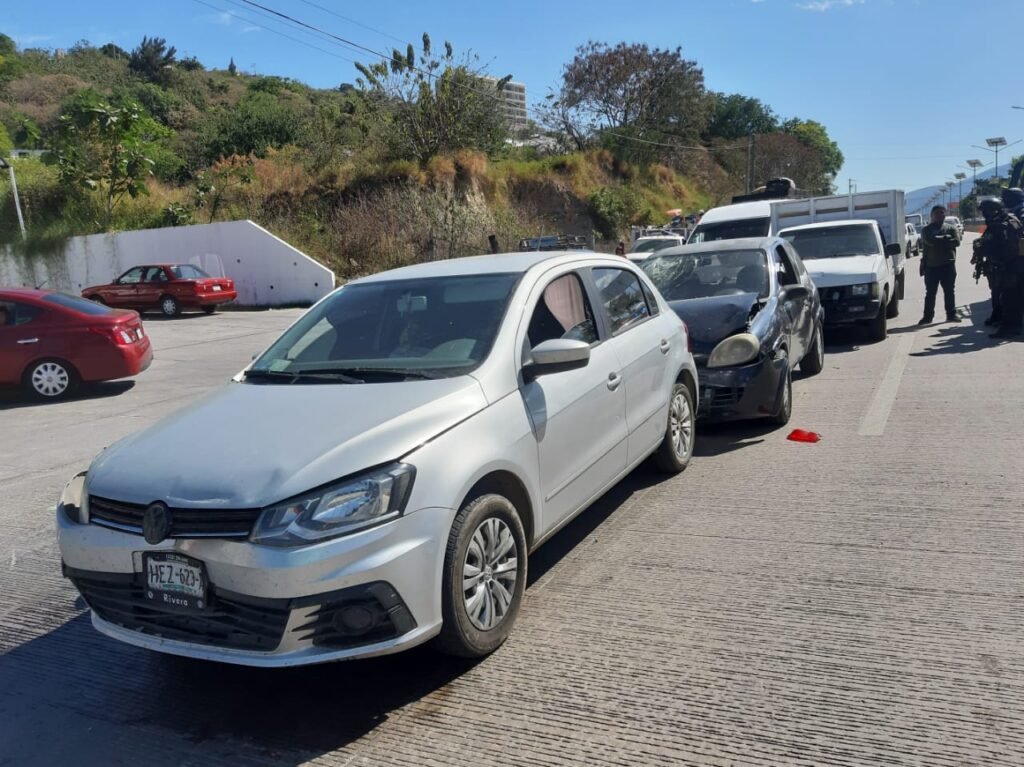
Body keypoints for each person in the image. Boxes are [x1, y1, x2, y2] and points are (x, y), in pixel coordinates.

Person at [978, 197, 1024, 339]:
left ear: (993, 211)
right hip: (1016, 265)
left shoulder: (1000, 225)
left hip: (1008, 266)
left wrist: (984, 249)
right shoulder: (1012, 219)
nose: (984, 215)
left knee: (1009, 298)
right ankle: (1008, 322)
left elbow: (998, 248)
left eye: (986, 212)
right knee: (1012, 297)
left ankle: (1010, 328)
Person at [918, 204, 961, 324]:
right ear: (932, 215)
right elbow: (930, 241)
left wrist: (939, 239)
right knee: (930, 293)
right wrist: (946, 239)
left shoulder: (951, 228)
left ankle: (951, 315)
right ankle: (927, 317)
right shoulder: (926, 230)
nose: (939, 215)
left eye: (942, 212)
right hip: (931, 267)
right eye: (937, 213)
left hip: (948, 265)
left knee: (949, 291)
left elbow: (956, 242)